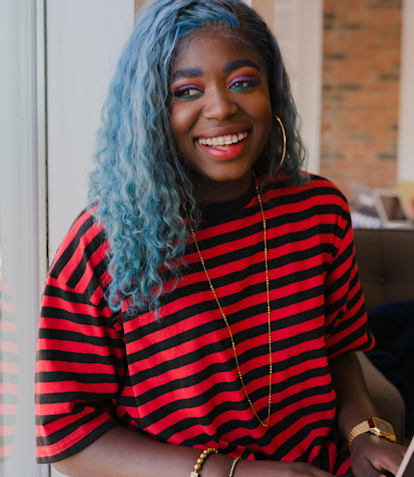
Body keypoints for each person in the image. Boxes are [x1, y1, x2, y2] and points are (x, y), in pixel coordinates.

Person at [34, 1, 407, 476]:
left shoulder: (319, 211)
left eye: (243, 82)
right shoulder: (100, 244)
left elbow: (337, 352)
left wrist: (364, 436)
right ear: (151, 110)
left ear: (271, 90)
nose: (221, 107)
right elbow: (67, 438)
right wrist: (233, 473)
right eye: (187, 90)